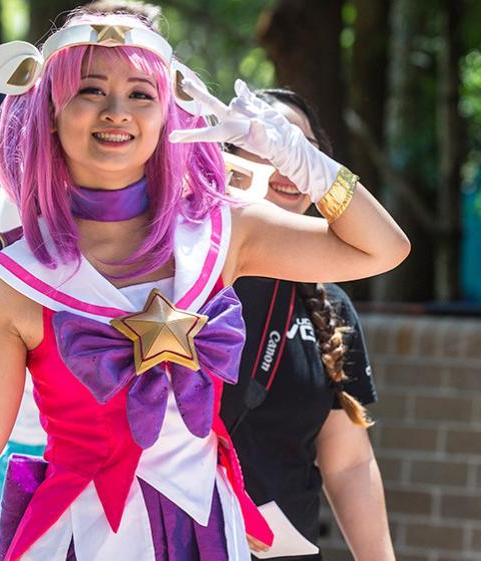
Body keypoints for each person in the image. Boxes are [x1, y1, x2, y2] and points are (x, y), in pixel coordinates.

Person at [0, 8, 408, 561]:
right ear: (50, 111)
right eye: (91, 90)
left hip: (205, 532)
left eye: (141, 93)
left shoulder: (222, 230)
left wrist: (290, 151)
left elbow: (383, 249)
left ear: (167, 113)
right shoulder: (15, 282)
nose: (118, 112)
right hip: (81, 536)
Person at [219, 89, 395, 560]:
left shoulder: (330, 304)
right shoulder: (181, 273)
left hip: (285, 549)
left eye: (302, 149)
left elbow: (349, 464)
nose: (288, 163)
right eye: (269, 142)